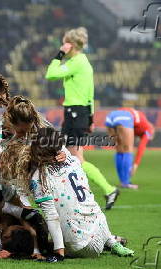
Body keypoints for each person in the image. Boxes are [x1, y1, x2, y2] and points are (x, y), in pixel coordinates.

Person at [0, 128, 135, 259]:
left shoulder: (39, 178)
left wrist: (59, 252)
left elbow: (51, 217)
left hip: (81, 248)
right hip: (101, 229)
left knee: (51, 236)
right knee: (89, 207)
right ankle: (112, 242)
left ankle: (100, 243)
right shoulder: (74, 161)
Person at [45, 27, 119, 210]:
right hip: (79, 113)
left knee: (75, 158)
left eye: (64, 43)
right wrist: (91, 118)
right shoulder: (84, 62)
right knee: (69, 156)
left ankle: (108, 189)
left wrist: (60, 53)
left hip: (75, 113)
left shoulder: (77, 62)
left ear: (69, 44)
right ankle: (84, 192)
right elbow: (90, 93)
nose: (62, 46)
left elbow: (51, 73)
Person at [105, 107, 155, 189]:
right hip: (124, 117)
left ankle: (122, 182)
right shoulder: (148, 130)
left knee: (119, 150)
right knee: (128, 150)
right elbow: (141, 147)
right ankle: (126, 182)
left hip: (111, 115)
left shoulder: (141, 118)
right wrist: (135, 165)